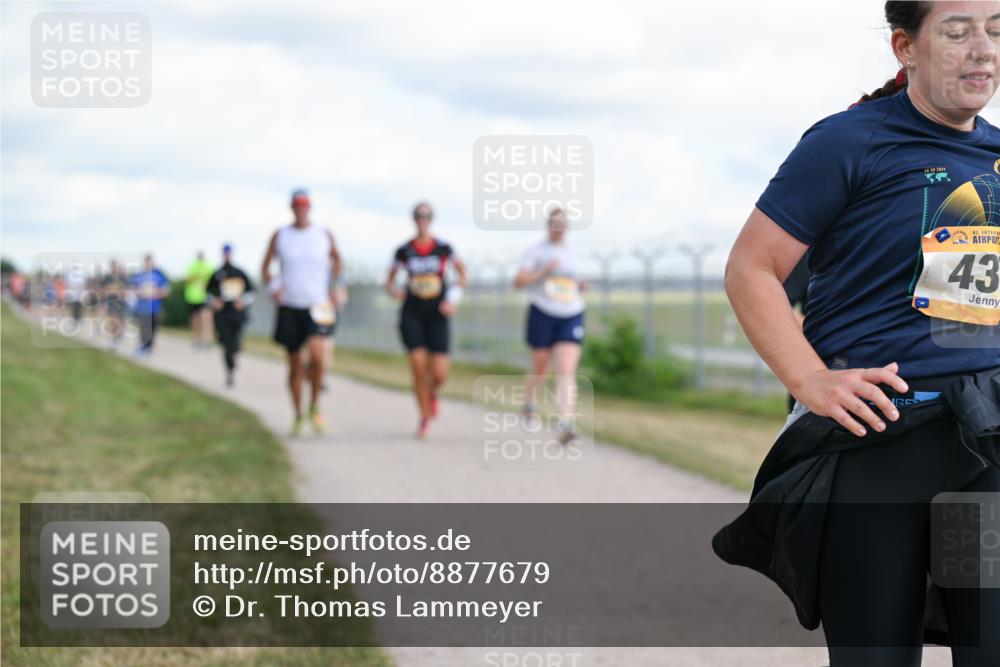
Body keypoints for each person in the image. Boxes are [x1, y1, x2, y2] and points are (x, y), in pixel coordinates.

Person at [718, 2, 1000, 665]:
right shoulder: (849, 141)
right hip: (877, 447)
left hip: (984, 450)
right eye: (958, 30)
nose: (982, 48)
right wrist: (810, 378)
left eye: (996, 30)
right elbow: (751, 267)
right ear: (906, 46)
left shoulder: (995, 156)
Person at [261, 188, 343, 435]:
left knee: (319, 358)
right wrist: (274, 287)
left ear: (310, 207)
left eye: (305, 204)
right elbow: (266, 268)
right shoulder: (281, 235)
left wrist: (336, 286)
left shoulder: (323, 234)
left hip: (319, 304)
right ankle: (297, 415)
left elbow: (337, 261)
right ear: (292, 207)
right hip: (290, 305)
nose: (301, 209)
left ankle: (314, 405)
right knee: (295, 364)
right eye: (297, 205)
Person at [385, 201, 467, 438]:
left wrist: (452, 299)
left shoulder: (444, 248)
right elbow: (389, 280)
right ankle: (423, 419)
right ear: (413, 219)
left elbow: (462, 275)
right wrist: (394, 290)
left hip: (438, 312)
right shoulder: (404, 250)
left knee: (439, 372)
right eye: (419, 215)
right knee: (418, 367)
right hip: (412, 312)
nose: (423, 219)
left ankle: (433, 393)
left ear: (432, 219)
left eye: (427, 216)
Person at [513, 207, 588, 444]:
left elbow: (571, 282)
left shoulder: (573, 253)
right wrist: (544, 271)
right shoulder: (536, 252)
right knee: (541, 368)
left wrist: (580, 285)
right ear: (548, 226)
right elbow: (519, 281)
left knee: (566, 368)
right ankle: (529, 404)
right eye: (554, 224)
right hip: (542, 312)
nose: (559, 229)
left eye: (562, 224)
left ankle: (565, 422)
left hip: (571, 312)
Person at [207, 244, 255, 388]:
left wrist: (243, 301)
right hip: (222, 315)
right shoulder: (217, 273)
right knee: (226, 344)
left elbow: (252, 292)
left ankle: (234, 356)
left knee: (235, 343)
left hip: (238, 314)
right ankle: (230, 372)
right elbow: (208, 293)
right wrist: (214, 301)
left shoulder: (240, 273)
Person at [129, 254, 170, 356]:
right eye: (147, 262)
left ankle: (148, 347)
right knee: (143, 327)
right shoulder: (139, 276)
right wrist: (140, 292)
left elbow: (166, 290)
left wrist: (158, 293)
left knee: (152, 327)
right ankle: (144, 346)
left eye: (150, 262)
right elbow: (133, 288)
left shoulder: (158, 276)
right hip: (143, 307)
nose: (149, 264)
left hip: (155, 306)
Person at [185, 251, 214, 349]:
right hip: (193, 297)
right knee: (195, 319)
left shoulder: (208, 266)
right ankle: (196, 339)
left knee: (205, 318)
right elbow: (187, 278)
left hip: (205, 297)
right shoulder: (192, 266)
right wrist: (194, 278)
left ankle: (206, 339)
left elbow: (213, 281)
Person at [100, 260, 129, 349]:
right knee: (113, 319)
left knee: (121, 320)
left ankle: (119, 334)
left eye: (115, 266)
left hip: (121, 302)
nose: (114, 268)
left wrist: (122, 293)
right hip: (111, 302)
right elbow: (102, 290)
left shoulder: (122, 277)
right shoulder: (107, 278)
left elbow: (126, 289)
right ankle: (114, 338)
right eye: (113, 267)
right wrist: (108, 293)